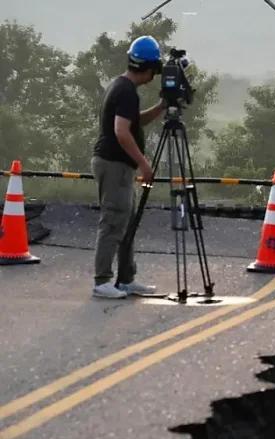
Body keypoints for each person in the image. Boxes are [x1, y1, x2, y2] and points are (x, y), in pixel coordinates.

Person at [91, 36, 165, 299]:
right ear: (148, 68)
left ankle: (125, 279)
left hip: (118, 166)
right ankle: (102, 281)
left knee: (126, 222)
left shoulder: (122, 87)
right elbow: (122, 132)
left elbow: (133, 122)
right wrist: (145, 165)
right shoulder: (125, 92)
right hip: (114, 165)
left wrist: (160, 108)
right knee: (113, 221)